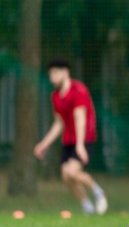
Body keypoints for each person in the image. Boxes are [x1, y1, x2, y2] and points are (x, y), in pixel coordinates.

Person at [33, 59, 108, 215]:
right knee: (66, 176)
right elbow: (59, 124)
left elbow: (80, 119)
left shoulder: (78, 91)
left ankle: (98, 192)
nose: (51, 77)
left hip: (85, 137)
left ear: (65, 72)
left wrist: (80, 145)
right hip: (68, 140)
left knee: (72, 172)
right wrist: (43, 145)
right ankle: (87, 206)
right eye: (50, 74)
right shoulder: (55, 96)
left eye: (55, 73)